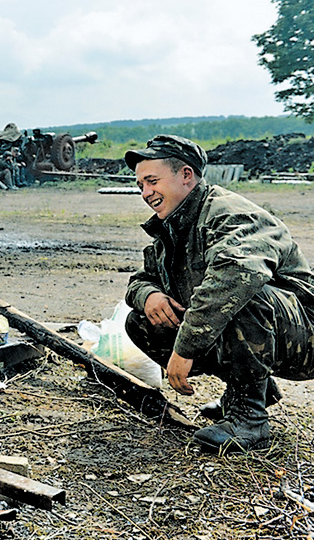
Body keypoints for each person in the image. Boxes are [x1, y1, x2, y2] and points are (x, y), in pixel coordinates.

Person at [123, 135, 314, 453]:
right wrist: (148, 296)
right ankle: (249, 393)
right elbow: (141, 279)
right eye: (140, 184)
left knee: (238, 295)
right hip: (277, 334)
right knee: (143, 321)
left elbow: (237, 276)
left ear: (186, 175)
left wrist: (185, 349)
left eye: (152, 181)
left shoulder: (228, 213)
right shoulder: (174, 226)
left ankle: (249, 419)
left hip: (306, 338)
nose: (145, 193)